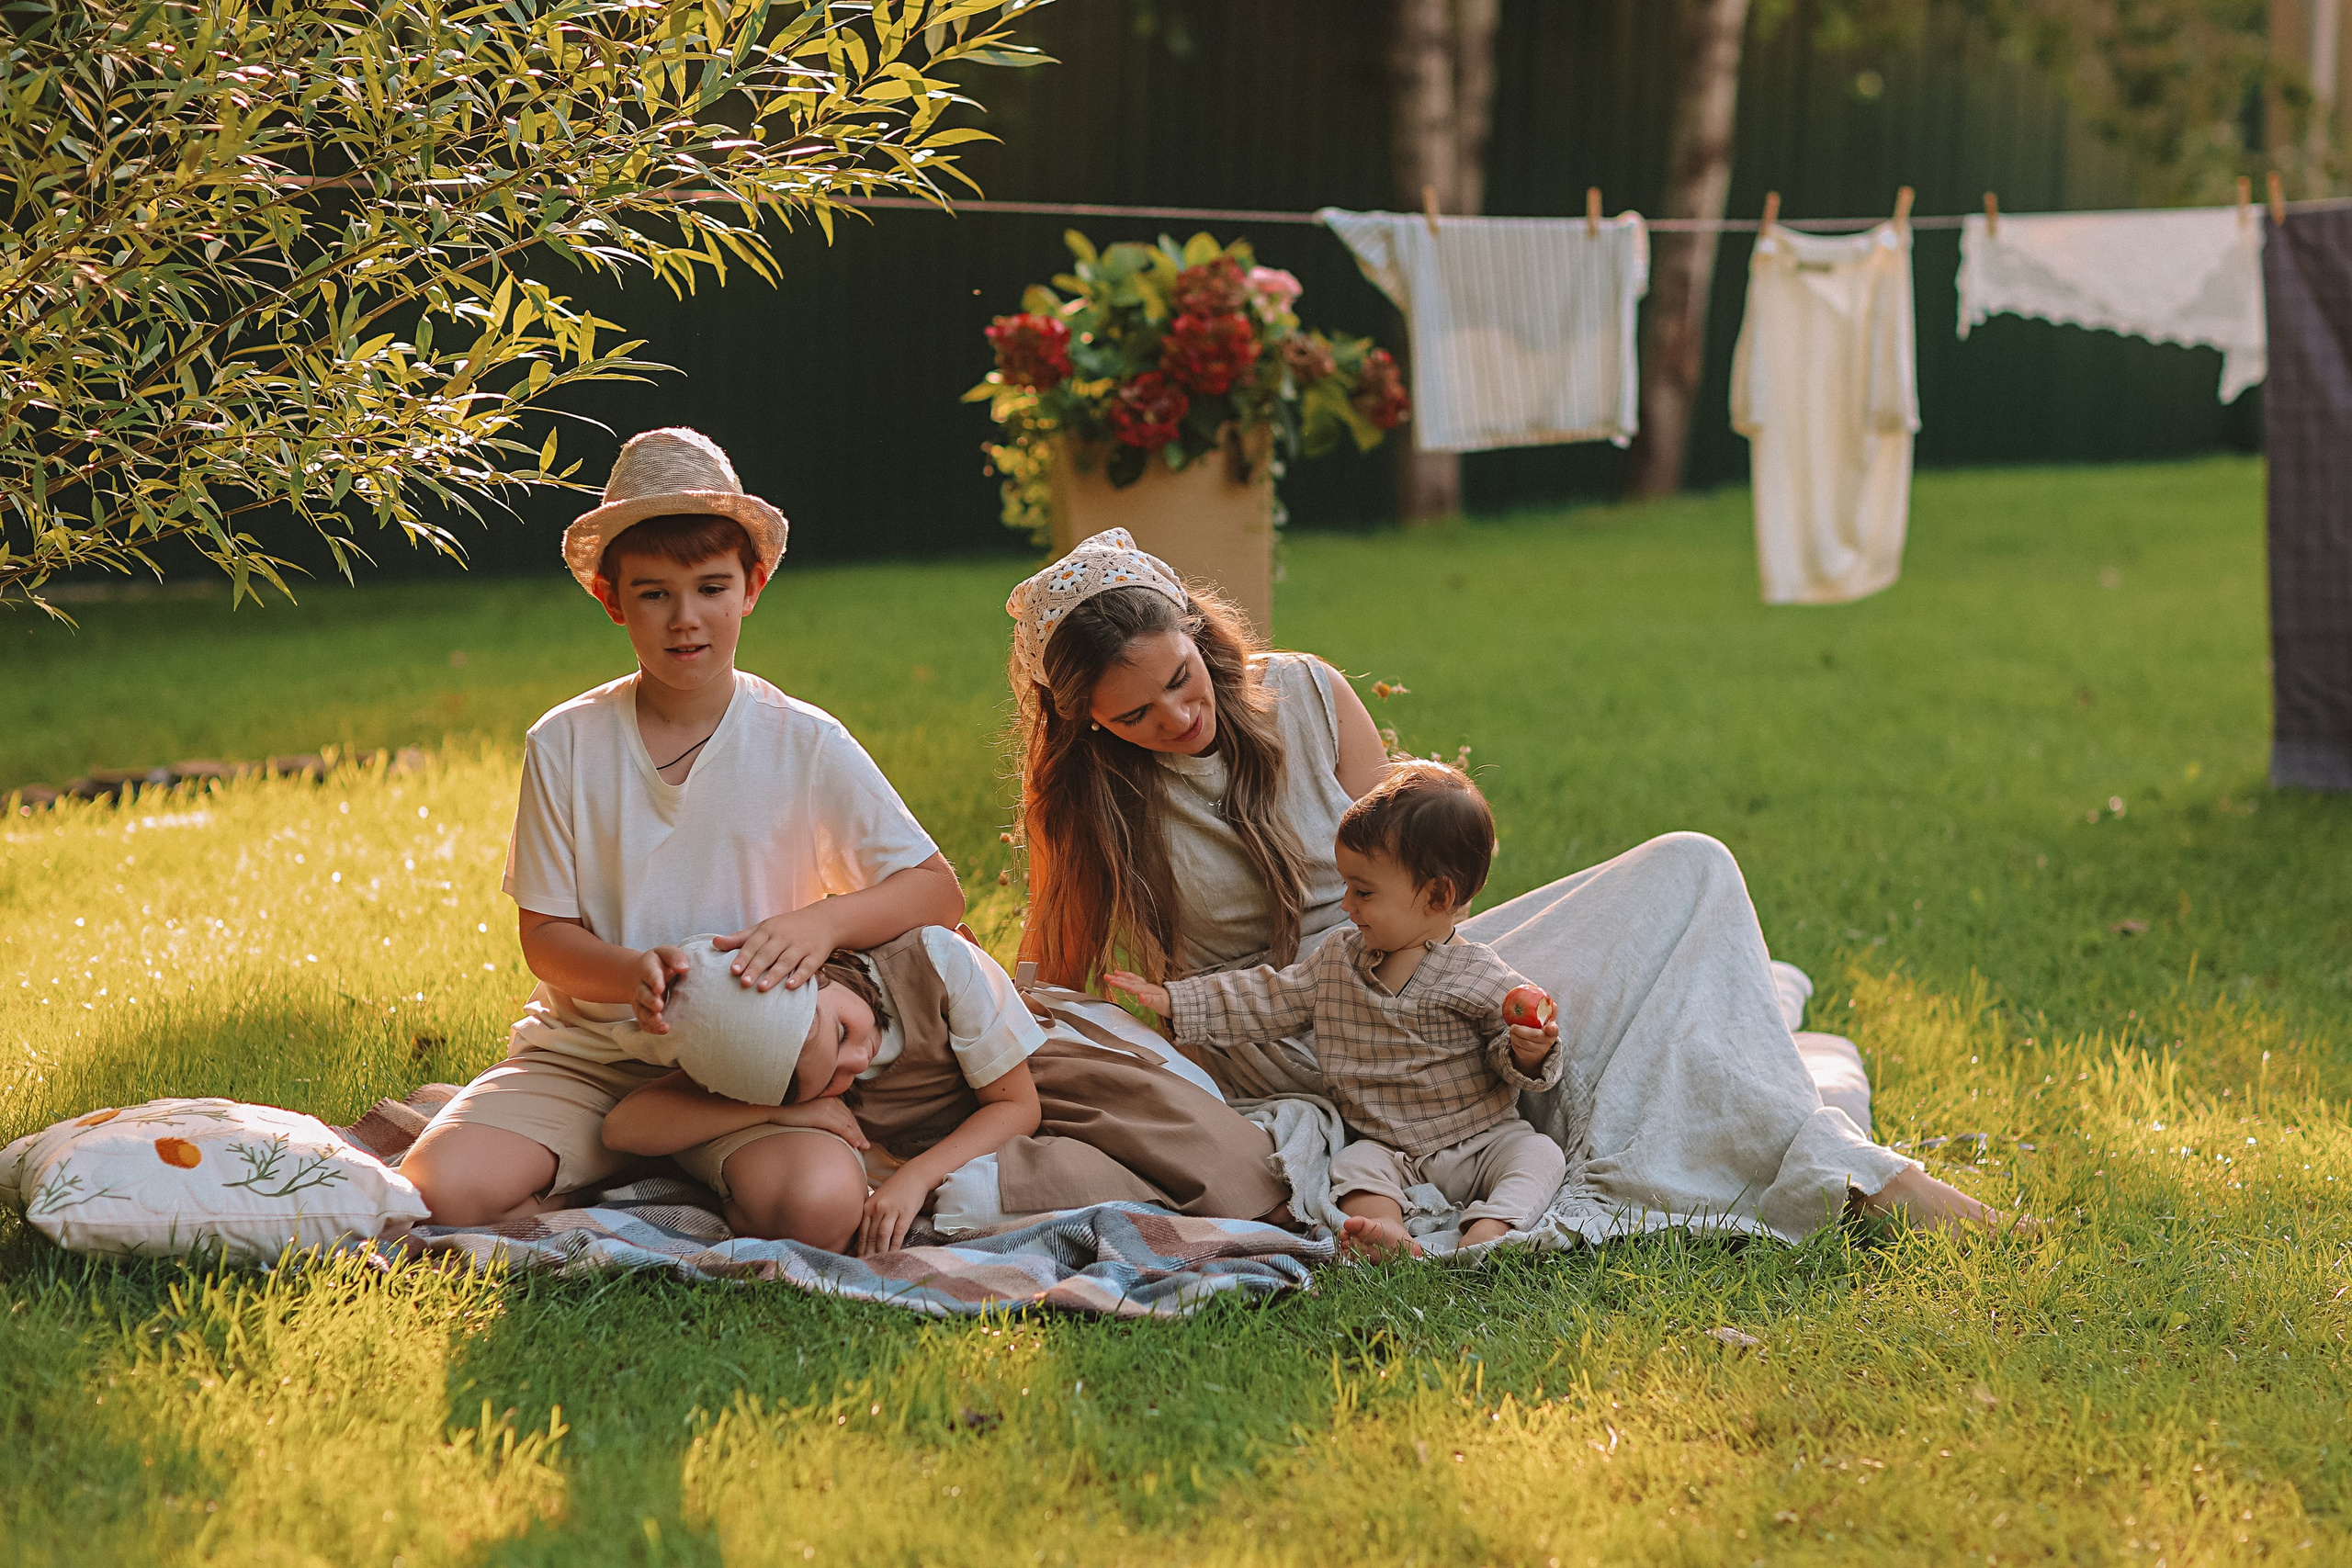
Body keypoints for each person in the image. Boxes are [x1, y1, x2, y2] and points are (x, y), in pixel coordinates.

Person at [1006, 527, 2018, 1242]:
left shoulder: (1306, 689)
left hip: (1428, 972)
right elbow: (1048, 970)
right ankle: (1854, 1178)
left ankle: (1817, 1156)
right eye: (1135, 716)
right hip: (1302, 1035)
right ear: (1087, 722)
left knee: (1690, 866)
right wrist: (990, 1039)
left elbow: (1418, 865)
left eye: (1180, 678)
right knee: (1640, 1027)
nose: (1177, 718)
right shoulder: (1087, 800)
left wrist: (1477, 982)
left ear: (1196, 632)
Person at [401, 427, 965, 1241]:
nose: (686, 618)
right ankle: (639, 1170)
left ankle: (666, 1164)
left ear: (753, 586)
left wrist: (822, 923)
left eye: (711, 587)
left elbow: (937, 891)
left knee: (818, 1208)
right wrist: (630, 972)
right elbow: (546, 937)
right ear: (612, 600)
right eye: (654, 593)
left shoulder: (804, 742)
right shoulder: (565, 742)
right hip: (585, 1054)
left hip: (750, 1068)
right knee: (438, 1193)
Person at [1107, 761, 1568, 1258]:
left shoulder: (1482, 975)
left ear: (1438, 896)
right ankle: (1387, 1229)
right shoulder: (1338, 961)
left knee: (1539, 1154)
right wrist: (1177, 999)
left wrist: (1528, 1052)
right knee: (1353, 1167)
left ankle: (1491, 1228)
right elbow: (1267, 998)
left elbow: (1508, 1053)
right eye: (1346, 886)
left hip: (1478, 1139)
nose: (1346, 905)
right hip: (1387, 1148)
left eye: (1363, 892)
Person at [602, 927, 1290, 1254]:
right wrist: (789, 1109)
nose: (856, 1060)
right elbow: (623, 1127)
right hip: (950, 1140)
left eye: (842, 1033)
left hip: (1017, 1087)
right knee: (975, 1200)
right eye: (826, 1078)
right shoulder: (756, 1058)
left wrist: (913, 1179)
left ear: (815, 976)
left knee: (1212, 1164)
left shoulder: (934, 963)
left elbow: (1017, 1106)